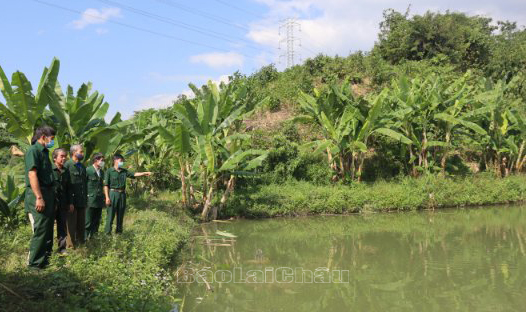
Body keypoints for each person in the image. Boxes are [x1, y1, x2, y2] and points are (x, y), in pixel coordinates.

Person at [24, 126, 56, 268]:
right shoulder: (33, 151)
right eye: (52, 139)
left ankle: (45, 261)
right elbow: (32, 174)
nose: (52, 141)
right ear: (43, 137)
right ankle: (34, 265)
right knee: (41, 229)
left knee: (48, 229)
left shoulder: (44, 152)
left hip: (48, 194)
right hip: (39, 194)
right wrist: (39, 197)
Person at [104, 154, 152, 234]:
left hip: (122, 194)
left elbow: (134, 174)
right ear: (115, 161)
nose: (122, 162)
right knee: (110, 215)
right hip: (113, 194)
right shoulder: (109, 171)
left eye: (122, 161)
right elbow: (106, 185)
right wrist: (107, 197)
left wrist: (144, 173)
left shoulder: (124, 171)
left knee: (120, 214)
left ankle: (119, 233)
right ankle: (107, 233)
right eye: (120, 161)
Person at [64, 144, 87, 248]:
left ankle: (81, 243)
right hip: (72, 201)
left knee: (81, 224)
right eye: (81, 152)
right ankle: (70, 246)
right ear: (74, 153)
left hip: (81, 200)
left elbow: (84, 184)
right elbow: (66, 185)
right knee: (71, 225)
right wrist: (69, 202)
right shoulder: (67, 165)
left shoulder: (82, 166)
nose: (82, 154)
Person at [51, 148, 72, 254]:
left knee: (62, 226)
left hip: (63, 203)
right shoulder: (49, 170)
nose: (64, 158)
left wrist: (70, 203)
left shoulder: (66, 171)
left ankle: (62, 248)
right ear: (55, 158)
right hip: (51, 203)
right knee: (49, 227)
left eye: (65, 156)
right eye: (61, 156)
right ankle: (48, 249)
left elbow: (69, 188)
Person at [85, 153, 105, 239]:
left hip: (99, 199)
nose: (103, 162)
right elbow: (84, 184)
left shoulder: (101, 172)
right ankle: (85, 238)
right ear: (96, 160)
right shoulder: (88, 170)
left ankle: (93, 237)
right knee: (88, 221)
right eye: (102, 160)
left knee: (96, 220)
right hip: (90, 199)